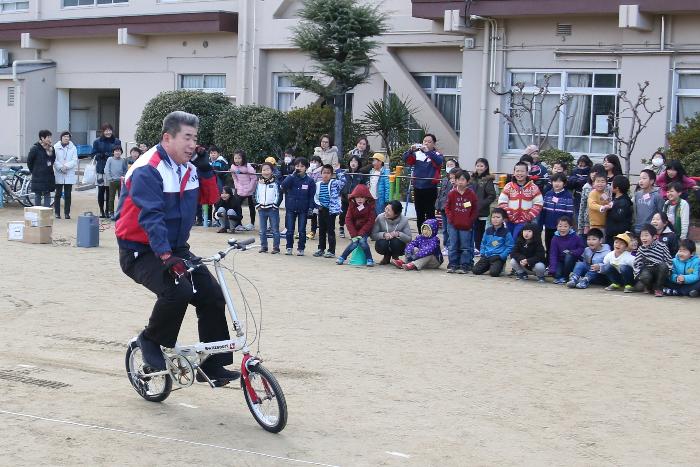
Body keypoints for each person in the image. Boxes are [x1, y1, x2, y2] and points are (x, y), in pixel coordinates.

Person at [115, 111, 238, 384]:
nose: (193, 144)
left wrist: (206, 169)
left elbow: (210, 197)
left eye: (195, 138)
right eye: (187, 137)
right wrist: (166, 255)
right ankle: (150, 340)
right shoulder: (148, 168)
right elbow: (151, 216)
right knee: (177, 290)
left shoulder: (188, 167)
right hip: (141, 249)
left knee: (211, 295)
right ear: (167, 138)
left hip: (175, 247)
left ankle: (213, 365)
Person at [402, 134, 444, 229]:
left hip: (430, 188)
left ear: (434, 144)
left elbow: (439, 162)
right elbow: (405, 159)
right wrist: (410, 150)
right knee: (419, 213)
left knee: (430, 213)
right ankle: (421, 236)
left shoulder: (436, 154)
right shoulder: (417, 154)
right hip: (418, 187)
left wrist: (428, 152)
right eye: (425, 141)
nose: (426, 143)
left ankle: (431, 237)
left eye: (429, 142)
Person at [497, 161, 543, 239]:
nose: (519, 173)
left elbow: (538, 203)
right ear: (514, 173)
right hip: (509, 220)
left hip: (524, 221)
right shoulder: (508, 186)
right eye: (517, 171)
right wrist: (508, 213)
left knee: (516, 239)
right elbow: (502, 202)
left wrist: (529, 216)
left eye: (522, 171)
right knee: (509, 240)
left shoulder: (533, 187)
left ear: (527, 173)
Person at [444, 170, 478, 274]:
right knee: (453, 245)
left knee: (465, 246)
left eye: (463, 179)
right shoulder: (452, 193)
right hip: (453, 224)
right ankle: (453, 264)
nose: (460, 182)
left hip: (466, 225)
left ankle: (465, 265)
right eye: (458, 179)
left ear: (467, 181)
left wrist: (470, 221)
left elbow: (475, 209)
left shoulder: (471, 194)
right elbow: (447, 207)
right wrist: (450, 218)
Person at [281, 157, 315, 255]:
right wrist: (291, 176)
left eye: (302, 166)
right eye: (297, 166)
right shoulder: (291, 177)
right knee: (290, 229)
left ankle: (301, 248)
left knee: (301, 230)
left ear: (306, 168)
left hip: (303, 209)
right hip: (291, 207)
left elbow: (311, 196)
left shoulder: (310, 181)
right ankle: (289, 247)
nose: (299, 168)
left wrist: (311, 208)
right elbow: (283, 186)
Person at [337, 184, 376, 266]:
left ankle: (369, 259)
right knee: (354, 242)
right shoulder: (351, 206)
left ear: (366, 198)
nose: (359, 199)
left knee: (362, 241)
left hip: (365, 230)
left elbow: (370, 221)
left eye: (362, 197)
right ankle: (342, 257)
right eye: (357, 197)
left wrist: (361, 233)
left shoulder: (370, 207)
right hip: (355, 230)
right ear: (353, 197)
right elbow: (348, 220)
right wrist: (354, 234)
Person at [313, 164, 346, 258]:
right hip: (321, 209)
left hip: (331, 210)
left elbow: (343, 181)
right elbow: (315, 196)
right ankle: (321, 249)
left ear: (331, 174)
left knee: (330, 230)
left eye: (328, 173)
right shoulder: (318, 184)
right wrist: (318, 205)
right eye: (324, 173)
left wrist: (338, 170)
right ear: (321, 174)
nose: (326, 175)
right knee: (321, 230)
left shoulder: (334, 183)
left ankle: (331, 250)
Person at [541, 172, 574, 259]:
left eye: (559, 181)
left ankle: (558, 264)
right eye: (555, 181)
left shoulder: (568, 196)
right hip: (549, 225)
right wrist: (542, 223)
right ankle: (548, 263)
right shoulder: (548, 194)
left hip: (561, 227)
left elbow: (569, 213)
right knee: (548, 244)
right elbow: (543, 210)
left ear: (564, 183)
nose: (557, 183)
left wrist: (567, 225)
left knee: (559, 246)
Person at [633, 223, 672, 297]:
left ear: (654, 237)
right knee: (643, 278)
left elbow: (668, 259)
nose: (643, 238)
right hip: (648, 269)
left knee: (663, 266)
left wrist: (669, 271)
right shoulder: (641, 249)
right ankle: (649, 287)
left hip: (660, 270)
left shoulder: (662, 246)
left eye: (646, 235)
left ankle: (659, 289)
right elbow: (636, 263)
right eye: (642, 236)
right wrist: (637, 275)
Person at [472, 208, 513, 277]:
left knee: (494, 273)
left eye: (498, 217)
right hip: (487, 255)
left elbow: (510, 246)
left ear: (503, 219)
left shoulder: (506, 232)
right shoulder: (488, 230)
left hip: (498, 257)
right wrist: (483, 253)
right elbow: (483, 243)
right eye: (493, 217)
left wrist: (502, 256)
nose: (495, 219)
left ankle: (499, 266)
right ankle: (489, 265)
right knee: (475, 271)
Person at [92, 123, 121, 218]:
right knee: (101, 190)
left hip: (112, 170)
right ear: (103, 131)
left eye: (109, 130)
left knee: (110, 191)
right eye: (106, 130)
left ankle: (108, 210)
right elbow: (93, 154)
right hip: (101, 169)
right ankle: (101, 211)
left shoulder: (116, 141)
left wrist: (108, 154)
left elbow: (118, 152)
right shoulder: (97, 141)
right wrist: (100, 155)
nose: (108, 132)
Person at [371, 200, 412, 265]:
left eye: (389, 210)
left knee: (395, 241)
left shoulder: (404, 220)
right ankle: (386, 256)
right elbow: (373, 235)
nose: (386, 212)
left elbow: (409, 238)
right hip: (384, 243)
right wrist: (383, 235)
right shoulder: (380, 217)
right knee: (382, 242)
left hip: (398, 245)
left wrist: (398, 234)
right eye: (386, 209)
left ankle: (395, 257)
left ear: (396, 214)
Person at [469, 158, 497, 254]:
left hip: (481, 210)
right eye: (478, 165)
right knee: (471, 228)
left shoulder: (488, 180)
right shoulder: (472, 179)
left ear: (486, 167)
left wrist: (481, 204)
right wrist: (466, 205)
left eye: (482, 166)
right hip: (470, 209)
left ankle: (478, 247)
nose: (479, 168)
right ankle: (473, 246)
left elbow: (492, 195)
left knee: (479, 229)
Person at [255, 162, 283, 253]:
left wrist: (275, 205)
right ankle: (264, 246)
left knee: (275, 229)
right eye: (263, 170)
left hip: (272, 209)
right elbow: (255, 195)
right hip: (261, 209)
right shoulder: (259, 183)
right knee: (262, 230)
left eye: (268, 169)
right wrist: (258, 205)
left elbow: (279, 195)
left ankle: (276, 247)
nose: (266, 172)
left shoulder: (276, 182)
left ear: (272, 171)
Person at [549, 215, 584, 284]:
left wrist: (572, 252)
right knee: (556, 274)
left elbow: (581, 248)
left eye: (565, 226)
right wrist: (552, 268)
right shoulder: (555, 238)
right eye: (560, 226)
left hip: (572, 260)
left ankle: (566, 276)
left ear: (570, 227)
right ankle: (561, 276)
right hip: (560, 261)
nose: (562, 228)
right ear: (556, 227)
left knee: (568, 256)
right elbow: (553, 254)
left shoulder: (575, 237)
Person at [340, 155, 367, 239]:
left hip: (355, 199)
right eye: (352, 161)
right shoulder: (345, 174)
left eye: (355, 161)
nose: (353, 163)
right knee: (343, 214)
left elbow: (363, 187)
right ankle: (341, 227)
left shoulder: (360, 175)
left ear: (358, 164)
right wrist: (345, 194)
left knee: (355, 215)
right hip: (345, 198)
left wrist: (355, 196)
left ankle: (354, 232)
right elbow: (341, 186)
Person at [27, 130, 55, 208]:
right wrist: (34, 171)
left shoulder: (51, 148)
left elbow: (53, 159)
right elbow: (29, 162)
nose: (50, 139)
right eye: (48, 137)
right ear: (42, 138)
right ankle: (38, 213)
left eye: (50, 137)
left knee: (47, 194)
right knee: (38, 194)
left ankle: (46, 213)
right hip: (38, 176)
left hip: (48, 175)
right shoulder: (35, 148)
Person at [230, 149, 257, 230]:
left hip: (250, 188)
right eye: (235, 158)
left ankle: (252, 224)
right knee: (237, 205)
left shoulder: (248, 167)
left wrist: (249, 188)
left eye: (239, 158)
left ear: (243, 158)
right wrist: (237, 186)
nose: (237, 160)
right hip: (240, 188)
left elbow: (254, 179)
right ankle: (239, 224)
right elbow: (234, 177)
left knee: (251, 206)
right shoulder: (233, 167)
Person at [53, 131, 77, 219]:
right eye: (65, 136)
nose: (66, 138)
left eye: (68, 137)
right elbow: (54, 160)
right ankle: (57, 213)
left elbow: (75, 160)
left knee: (68, 194)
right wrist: (60, 167)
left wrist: (66, 167)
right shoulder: (55, 147)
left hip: (69, 173)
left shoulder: (73, 148)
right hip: (59, 173)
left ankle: (67, 213)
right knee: (58, 194)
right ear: (61, 137)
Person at [577, 164, 608, 235]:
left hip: (603, 220)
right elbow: (582, 206)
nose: (594, 174)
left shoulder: (607, 188)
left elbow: (607, 202)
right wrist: (581, 225)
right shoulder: (586, 187)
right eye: (592, 171)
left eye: (597, 172)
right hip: (588, 221)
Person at [435, 160, 458, 253]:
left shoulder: (459, 180)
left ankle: (450, 245)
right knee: (445, 228)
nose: (449, 166)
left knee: (450, 228)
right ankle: (446, 245)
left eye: (451, 165)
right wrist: (438, 205)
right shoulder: (445, 179)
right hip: (443, 207)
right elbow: (441, 193)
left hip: (452, 209)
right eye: (448, 165)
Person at [604, 175, 633, 247]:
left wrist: (609, 208)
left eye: (612, 184)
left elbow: (619, 216)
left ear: (617, 188)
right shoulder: (615, 198)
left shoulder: (624, 201)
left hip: (618, 235)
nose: (610, 185)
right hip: (611, 233)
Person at [633, 169, 664, 233]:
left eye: (644, 178)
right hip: (637, 229)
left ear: (652, 181)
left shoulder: (657, 196)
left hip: (651, 230)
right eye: (640, 178)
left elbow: (661, 213)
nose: (641, 181)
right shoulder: (637, 194)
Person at [105, 145, 128, 219]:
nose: (117, 152)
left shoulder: (123, 160)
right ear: (113, 152)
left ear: (121, 152)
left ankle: (120, 212)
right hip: (112, 181)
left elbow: (125, 170)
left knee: (121, 198)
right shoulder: (110, 159)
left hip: (121, 181)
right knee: (111, 198)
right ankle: (111, 212)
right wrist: (110, 178)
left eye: (119, 151)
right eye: (116, 151)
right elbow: (106, 169)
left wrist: (124, 177)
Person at [568, 154, 592, 222]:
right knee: (577, 213)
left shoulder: (590, 171)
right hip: (577, 195)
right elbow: (570, 182)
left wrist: (583, 180)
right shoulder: (575, 170)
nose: (581, 167)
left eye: (584, 166)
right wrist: (576, 180)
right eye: (580, 165)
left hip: (588, 194)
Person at [306, 155, 324, 240]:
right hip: (308, 196)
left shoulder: (321, 171)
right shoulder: (308, 171)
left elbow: (315, 183)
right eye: (312, 162)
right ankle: (308, 231)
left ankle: (316, 231)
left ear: (320, 163)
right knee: (309, 214)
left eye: (315, 162)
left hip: (317, 196)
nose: (313, 163)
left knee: (317, 214)